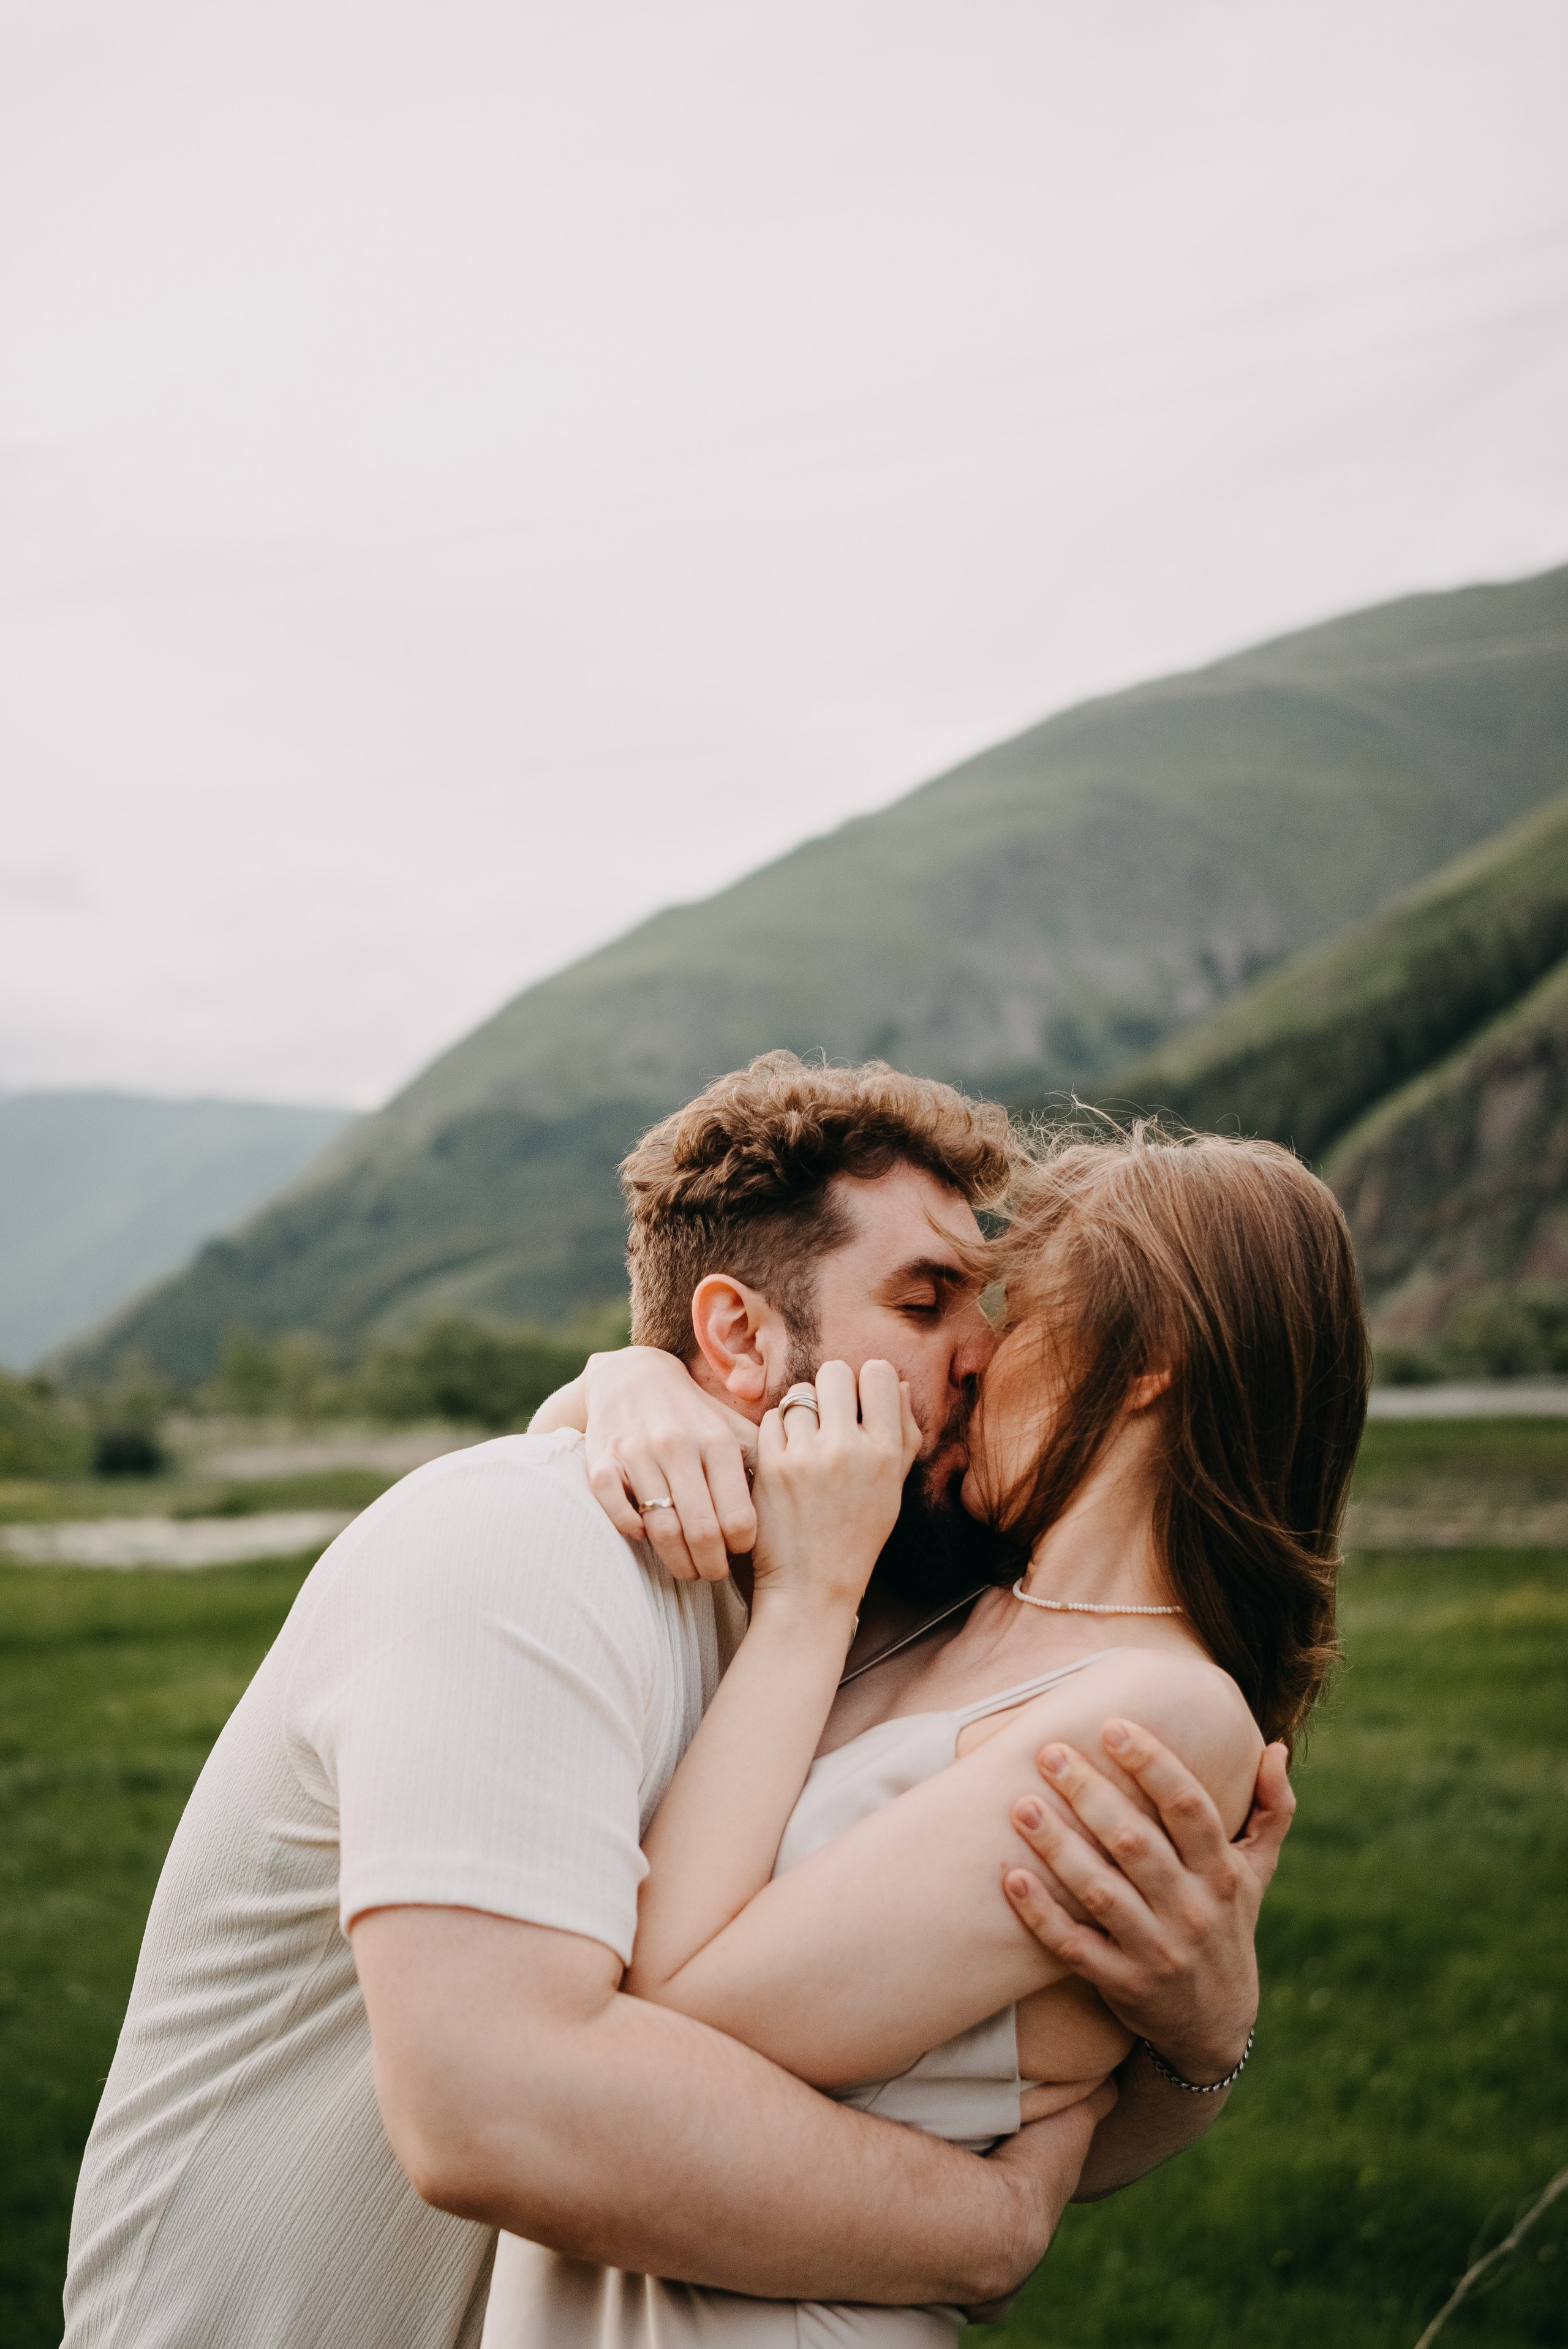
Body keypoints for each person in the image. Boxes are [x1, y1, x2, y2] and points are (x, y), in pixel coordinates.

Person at [62, 1058, 1289, 2349]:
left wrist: (1197, 2040)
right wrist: (983, 2229)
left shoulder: (848, 1610)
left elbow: (934, 2068)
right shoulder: (524, 1540)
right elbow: (503, 2112)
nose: (980, 1355)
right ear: (739, 1334)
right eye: (926, 1302)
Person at [483, 1117, 1367, 2343]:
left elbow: (674, 2010)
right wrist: (626, 1379)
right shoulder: (935, 1603)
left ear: (1148, 1354)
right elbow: (586, 1470)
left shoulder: (1161, 1713)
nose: (973, 1359)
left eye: (1018, 1314)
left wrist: (804, 1601)